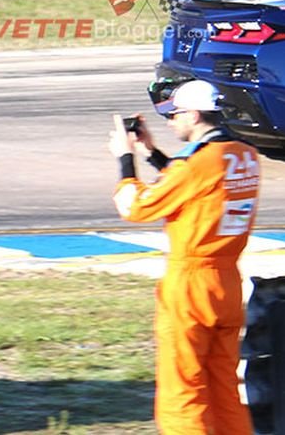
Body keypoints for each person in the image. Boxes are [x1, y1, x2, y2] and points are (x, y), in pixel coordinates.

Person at [108, 79, 261, 435]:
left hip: (191, 286)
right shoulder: (245, 156)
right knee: (223, 391)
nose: (171, 123)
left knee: (184, 394)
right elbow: (197, 189)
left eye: (174, 115)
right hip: (228, 284)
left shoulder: (193, 165)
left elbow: (134, 206)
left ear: (193, 114)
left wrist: (125, 160)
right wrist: (153, 153)